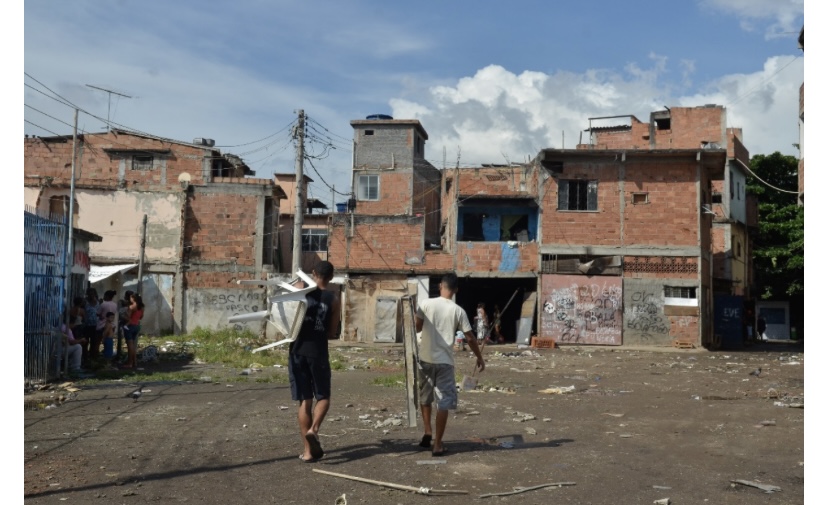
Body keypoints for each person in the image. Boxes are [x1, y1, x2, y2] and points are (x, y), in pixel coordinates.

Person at [415, 273, 485, 457]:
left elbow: (416, 327)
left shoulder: (425, 304)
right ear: (456, 290)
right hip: (444, 362)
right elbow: (469, 337)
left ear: (440, 286)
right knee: (444, 402)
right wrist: (479, 357)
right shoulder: (458, 310)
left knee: (425, 396)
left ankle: (428, 431)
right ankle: (437, 444)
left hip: (425, 359)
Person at [288, 261, 340, 463]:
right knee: (323, 396)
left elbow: (286, 309)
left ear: (313, 273)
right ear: (331, 277)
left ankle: (308, 452)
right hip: (318, 351)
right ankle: (314, 429)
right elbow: (332, 331)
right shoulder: (333, 299)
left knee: (305, 400)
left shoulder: (301, 290)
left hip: (297, 349)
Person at [123, 293, 144, 369]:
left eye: (131, 298)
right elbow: (141, 317)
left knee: (130, 346)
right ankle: (135, 361)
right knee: (133, 346)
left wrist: (124, 314)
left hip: (130, 326)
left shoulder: (131, 307)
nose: (130, 299)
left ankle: (130, 363)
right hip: (136, 326)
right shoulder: (141, 307)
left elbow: (127, 317)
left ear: (133, 298)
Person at [96, 290, 118, 359]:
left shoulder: (103, 304)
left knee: (97, 342)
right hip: (112, 325)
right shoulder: (115, 305)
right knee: (109, 341)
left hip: (102, 324)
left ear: (107, 296)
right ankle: (107, 356)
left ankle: (96, 356)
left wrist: (99, 304)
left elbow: (98, 313)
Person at [82, 288, 100, 363]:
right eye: (90, 294)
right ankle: (85, 357)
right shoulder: (85, 302)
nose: (91, 295)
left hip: (95, 325)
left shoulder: (98, 302)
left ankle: (93, 357)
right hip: (86, 325)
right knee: (85, 342)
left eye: (92, 294)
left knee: (94, 342)